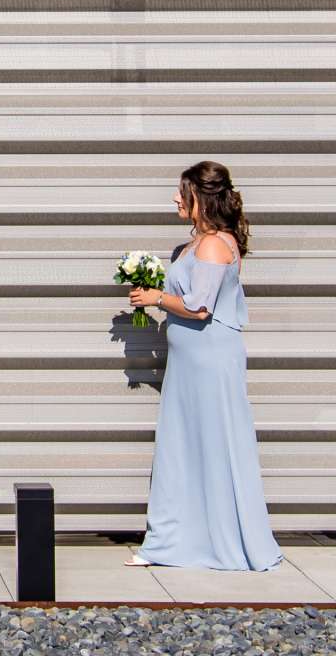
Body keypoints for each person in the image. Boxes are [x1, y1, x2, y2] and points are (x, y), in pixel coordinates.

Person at [126, 160, 280, 571]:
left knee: (212, 444)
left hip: (210, 361)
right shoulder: (195, 245)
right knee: (184, 447)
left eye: (183, 192)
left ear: (201, 198)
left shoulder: (214, 245)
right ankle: (180, 538)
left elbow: (198, 307)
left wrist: (155, 299)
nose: (176, 198)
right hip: (190, 362)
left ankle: (217, 541)